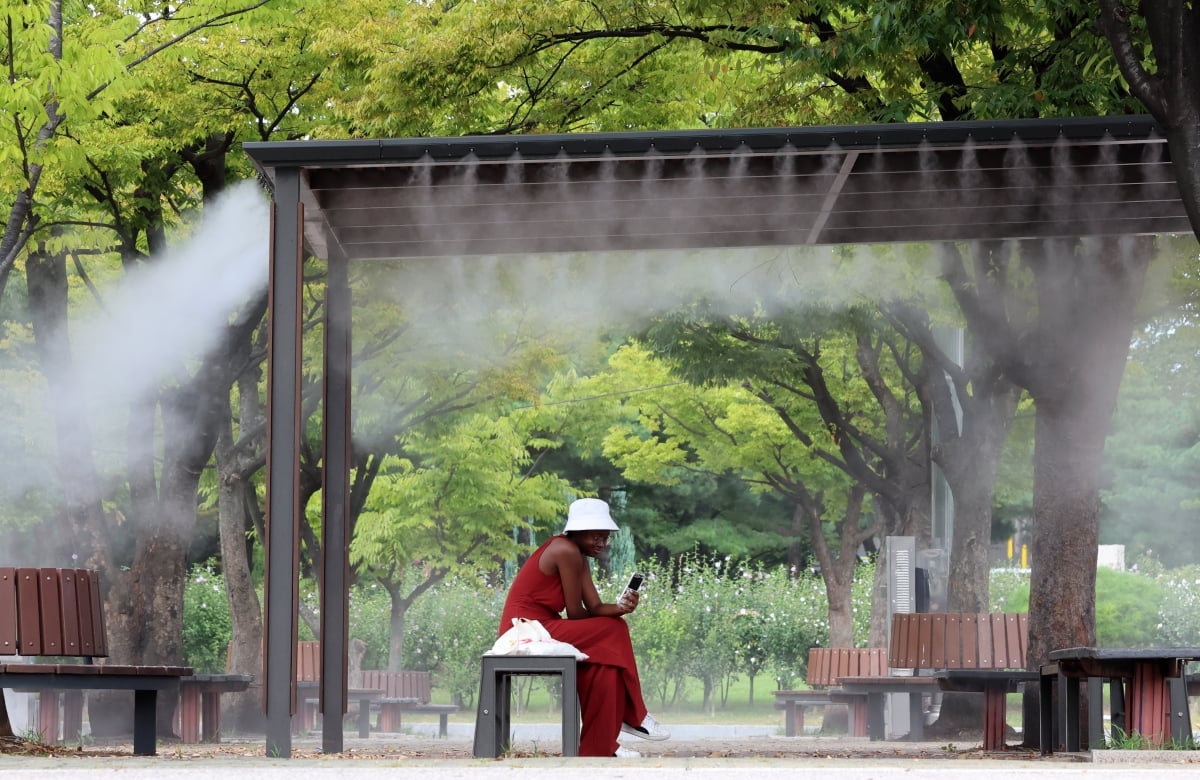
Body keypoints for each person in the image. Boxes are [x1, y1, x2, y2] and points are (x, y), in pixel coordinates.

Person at [498, 497, 669, 757]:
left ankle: (600, 747)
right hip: (525, 629)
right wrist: (612, 619)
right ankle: (636, 715)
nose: (602, 543)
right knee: (614, 630)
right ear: (576, 532)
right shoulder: (563, 550)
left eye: (605, 537)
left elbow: (596, 608)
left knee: (604, 662)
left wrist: (622, 607)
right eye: (596, 537)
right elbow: (577, 614)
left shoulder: (578, 554)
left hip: (546, 627)